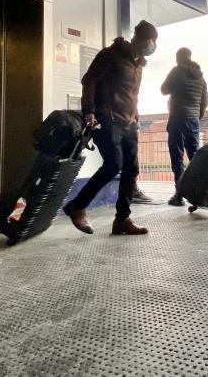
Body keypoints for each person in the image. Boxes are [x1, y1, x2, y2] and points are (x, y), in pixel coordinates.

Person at [63, 20, 158, 235]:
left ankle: (122, 220)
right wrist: (89, 111)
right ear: (139, 39)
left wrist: (136, 117)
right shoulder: (110, 55)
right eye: (151, 41)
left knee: (131, 170)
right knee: (114, 164)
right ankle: (77, 206)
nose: (153, 46)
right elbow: (89, 81)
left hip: (129, 123)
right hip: (108, 119)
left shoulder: (138, 63)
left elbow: (132, 94)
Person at [160, 47, 208, 206]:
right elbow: (204, 102)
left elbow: (164, 90)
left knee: (177, 157)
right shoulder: (201, 77)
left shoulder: (177, 71)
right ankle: (199, 193)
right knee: (195, 156)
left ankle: (179, 195)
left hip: (178, 118)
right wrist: (196, 116)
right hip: (193, 120)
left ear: (178, 57)